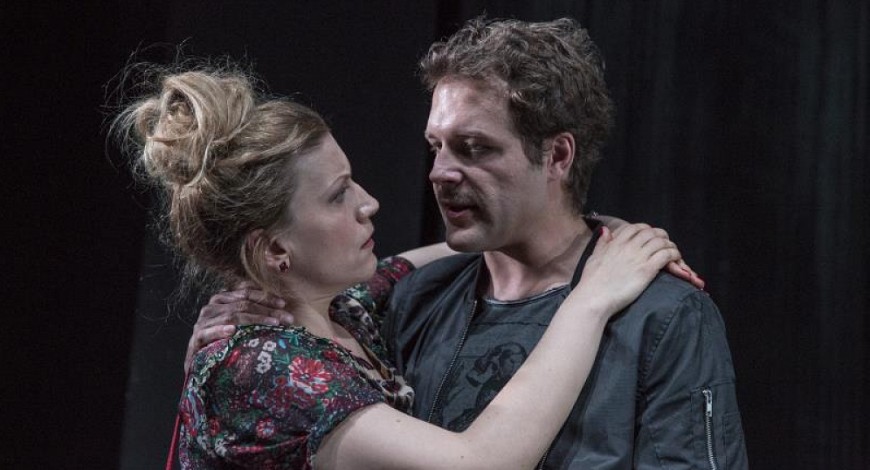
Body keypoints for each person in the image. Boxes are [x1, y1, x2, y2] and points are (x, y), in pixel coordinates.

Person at [192, 17, 748, 468]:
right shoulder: (404, 306)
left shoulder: (663, 316)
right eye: (436, 146)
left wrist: (603, 231)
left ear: (558, 156)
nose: (438, 173)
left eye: (473, 148)